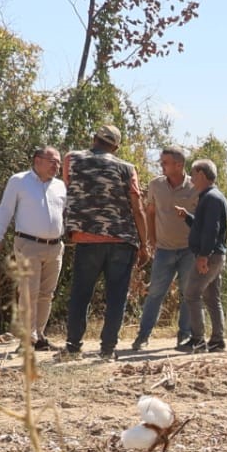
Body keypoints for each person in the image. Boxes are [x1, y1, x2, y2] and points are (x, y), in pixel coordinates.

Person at [61, 124, 150, 358]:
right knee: (116, 296)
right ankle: (107, 350)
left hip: (86, 239)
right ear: (116, 147)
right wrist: (144, 244)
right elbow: (138, 208)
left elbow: (69, 188)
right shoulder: (126, 168)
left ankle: (73, 347)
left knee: (81, 294)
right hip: (122, 240)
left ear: (94, 138)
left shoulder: (72, 159)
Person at [0, 147, 66, 350]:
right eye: (52, 161)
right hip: (28, 244)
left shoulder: (61, 186)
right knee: (29, 292)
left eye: (58, 162)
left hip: (55, 247)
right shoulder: (19, 181)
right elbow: (5, 209)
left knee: (47, 293)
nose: (56, 165)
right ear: (37, 160)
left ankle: (39, 336)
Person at [131, 147, 198, 351]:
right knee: (155, 293)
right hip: (164, 249)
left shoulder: (195, 186)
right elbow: (150, 212)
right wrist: (151, 239)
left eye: (165, 162)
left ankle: (184, 337)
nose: (161, 165)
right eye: (161, 162)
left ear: (179, 165)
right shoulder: (156, 185)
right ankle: (143, 337)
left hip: (189, 250)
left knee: (188, 294)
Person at [179, 159, 227, 353]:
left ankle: (198, 340)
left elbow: (211, 231)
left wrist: (203, 256)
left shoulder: (211, 198)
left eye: (193, 173)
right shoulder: (212, 197)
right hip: (214, 254)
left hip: (210, 255)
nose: (190, 177)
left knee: (192, 293)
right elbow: (204, 226)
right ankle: (217, 341)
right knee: (211, 297)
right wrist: (187, 217)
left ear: (201, 174)